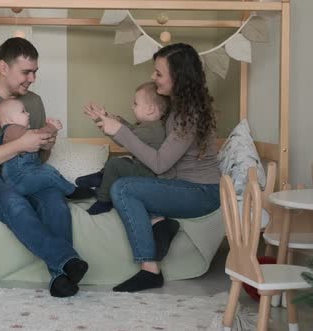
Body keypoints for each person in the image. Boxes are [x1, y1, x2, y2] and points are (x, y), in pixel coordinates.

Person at [0, 37, 88, 298]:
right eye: (26, 72)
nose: (32, 78)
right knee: (15, 203)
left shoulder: (34, 102)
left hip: (26, 174)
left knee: (56, 203)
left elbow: (37, 156)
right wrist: (20, 144)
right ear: (3, 68)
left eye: (35, 72)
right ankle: (66, 260)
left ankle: (60, 279)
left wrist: (46, 143)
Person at [84, 43, 221, 292]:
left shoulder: (189, 115)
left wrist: (121, 132)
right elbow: (145, 140)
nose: (152, 77)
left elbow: (159, 163)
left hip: (202, 193)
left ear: (177, 77)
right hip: (180, 185)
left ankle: (150, 270)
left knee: (124, 189)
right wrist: (113, 123)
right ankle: (160, 223)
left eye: (158, 73)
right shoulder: (176, 109)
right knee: (123, 176)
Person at [76, 81, 168, 215]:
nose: (132, 107)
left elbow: (124, 139)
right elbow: (131, 131)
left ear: (150, 109)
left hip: (149, 176)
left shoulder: (151, 129)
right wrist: (104, 118)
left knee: (115, 163)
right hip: (144, 170)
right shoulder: (150, 126)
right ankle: (102, 176)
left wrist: (106, 123)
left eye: (135, 104)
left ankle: (104, 201)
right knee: (122, 160)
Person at [0, 98, 95, 199]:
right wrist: (51, 127)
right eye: (23, 111)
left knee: (50, 170)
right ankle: (72, 192)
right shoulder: (11, 130)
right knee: (49, 177)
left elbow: (45, 145)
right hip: (19, 180)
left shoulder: (23, 132)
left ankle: (68, 188)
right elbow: (38, 136)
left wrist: (52, 134)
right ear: (8, 120)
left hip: (29, 174)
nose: (28, 113)